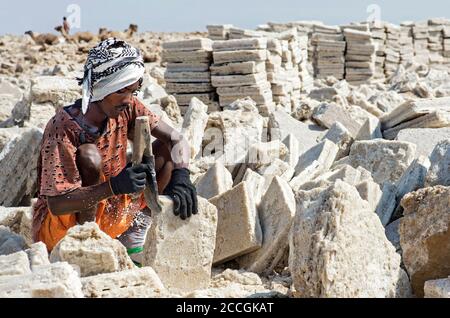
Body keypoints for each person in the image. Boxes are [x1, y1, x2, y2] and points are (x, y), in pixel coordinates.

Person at [32, 38, 198, 263]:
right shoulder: (63, 128)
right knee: (89, 156)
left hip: (111, 211)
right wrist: (114, 186)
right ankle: (89, 244)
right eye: (121, 90)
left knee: (165, 150)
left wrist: (182, 175)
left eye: (134, 90)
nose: (128, 99)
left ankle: (133, 232)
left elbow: (176, 139)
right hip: (64, 227)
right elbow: (57, 203)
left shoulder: (127, 106)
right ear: (101, 87)